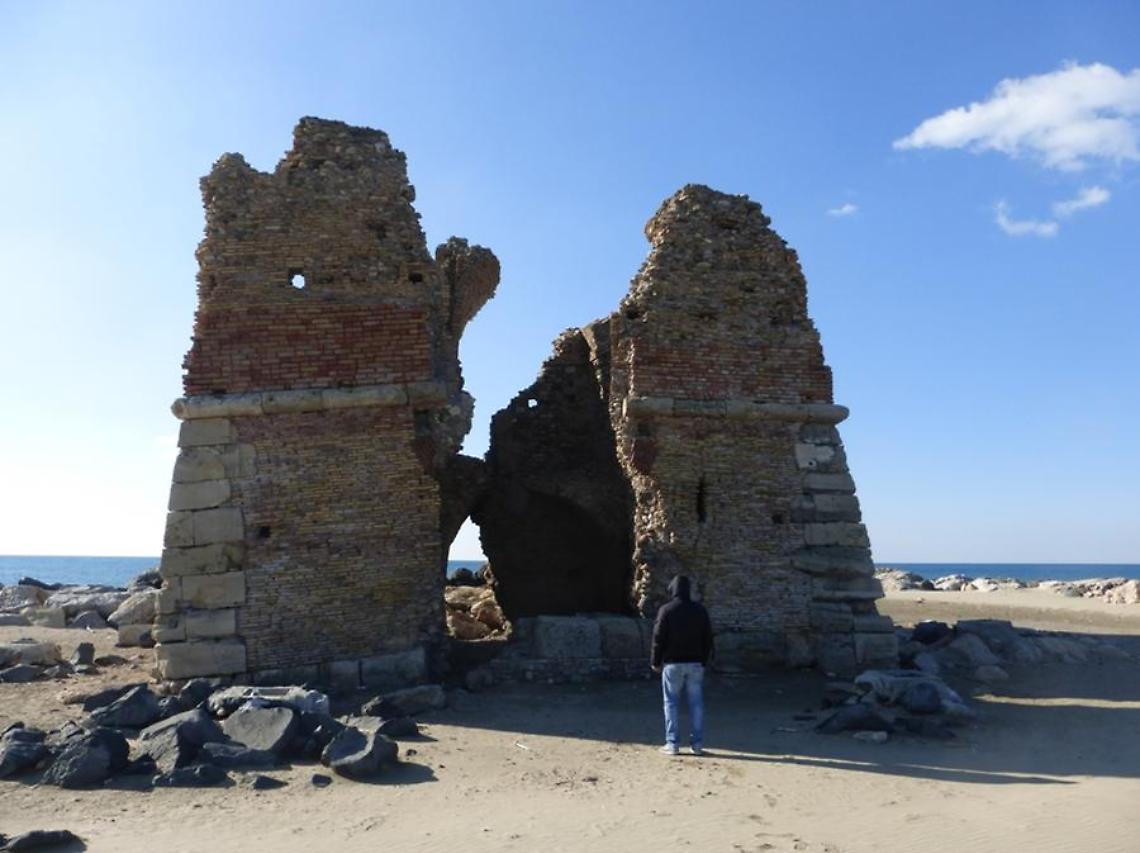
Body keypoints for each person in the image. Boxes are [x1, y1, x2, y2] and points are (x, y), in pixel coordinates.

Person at [650, 574, 714, 755]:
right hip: (695, 663)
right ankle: (698, 744)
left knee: (670, 703)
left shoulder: (666, 610)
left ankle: (673, 744)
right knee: (696, 703)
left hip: (672, 664)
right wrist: (704, 659)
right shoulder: (700, 610)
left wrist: (655, 661)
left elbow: (658, 638)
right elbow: (708, 638)